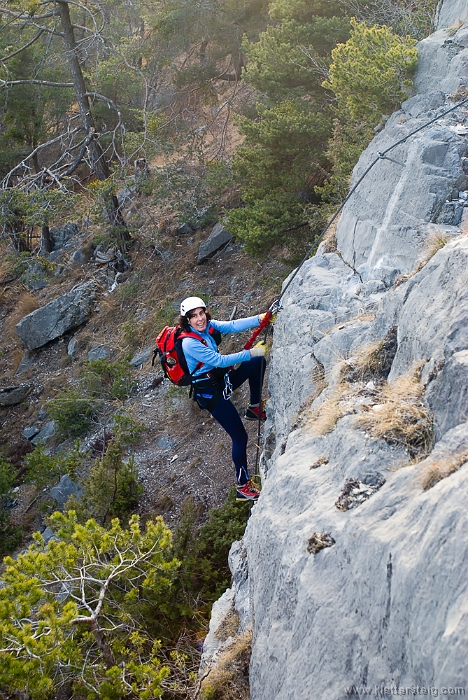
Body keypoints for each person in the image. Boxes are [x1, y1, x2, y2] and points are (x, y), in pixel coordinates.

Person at [179, 296, 270, 502]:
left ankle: (254, 408)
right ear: (187, 320)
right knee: (240, 437)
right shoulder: (189, 343)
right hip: (210, 394)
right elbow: (219, 361)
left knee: (258, 361)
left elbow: (232, 325)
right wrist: (249, 352)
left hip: (220, 381)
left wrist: (261, 318)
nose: (200, 319)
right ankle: (243, 486)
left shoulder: (208, 326)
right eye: (194, 317)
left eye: (201, 313)